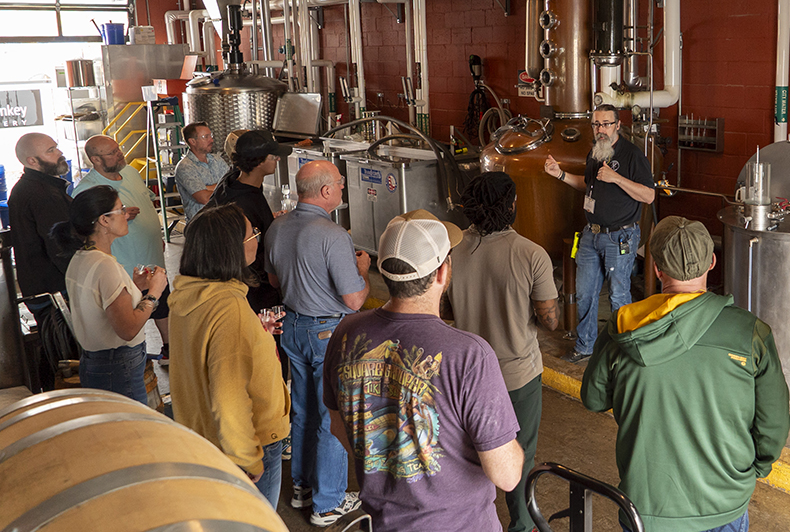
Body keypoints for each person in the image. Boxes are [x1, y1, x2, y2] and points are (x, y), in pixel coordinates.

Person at [581, 216, 790, 532]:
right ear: (712, 263)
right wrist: (756, 469)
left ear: (656, 269)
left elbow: (594, 399)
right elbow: (773, 423)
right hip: (724, 505)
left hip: (646, 510)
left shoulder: (623, 327)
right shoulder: (750, 334)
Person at [323, 209, 524, 532]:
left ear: (382, 270)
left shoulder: (346, 333)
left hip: (380, 523)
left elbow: (339, 426)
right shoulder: (470, 354)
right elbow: (507, 475)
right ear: (443, 272)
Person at [445, 172, 559, 532]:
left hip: (465, 375)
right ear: (511, 206)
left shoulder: (451, 250)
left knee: (467, 454)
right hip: (517, 376)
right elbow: (551, 320)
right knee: (518, 457)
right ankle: (521, 527)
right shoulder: (531, 254)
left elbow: (445, 311)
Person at [264, 159, 370, 527]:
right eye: (340, 183)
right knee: (330, 416)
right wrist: (363, 271)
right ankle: (328, 504)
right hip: (327, 333)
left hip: (292, 328)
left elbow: (275, 281)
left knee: (304, 410)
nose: (342, 188)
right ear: (326, 191)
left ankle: (301, 487)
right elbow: (355, 300)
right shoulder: (333, 234)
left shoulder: (276, 228)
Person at [168, 204, 290, 508]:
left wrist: (253, 331)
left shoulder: (190, 296)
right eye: (253, 235)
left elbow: (204, 353)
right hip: (247, 442)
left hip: (204, 436)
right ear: (232, 249)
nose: (257, 240)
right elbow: (228, 396)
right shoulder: (229, 308)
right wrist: (247, 458)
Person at [544, 104, 655, 363]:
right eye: (596, 124)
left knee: (618, 296)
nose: (600, 129)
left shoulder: (632, 154)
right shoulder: (595, 152)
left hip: (620, 237)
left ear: (618, 125)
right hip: (591, 235)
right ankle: (585, 346)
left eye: (606, 124)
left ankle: (623, 352)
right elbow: (588, 185)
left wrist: (616, 178)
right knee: (584, 293)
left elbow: (648, 195)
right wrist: (559, 174)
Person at [51, 185, 167, 404]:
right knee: (131, 432)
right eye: (120, 209)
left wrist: (134, 287)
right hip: (117, 366)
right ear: (104, 220)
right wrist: (154, 293)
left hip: (98, 363)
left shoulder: (81, 258)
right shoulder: (105, 266)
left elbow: (102, 303)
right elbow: (128, 329)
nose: (126, 214)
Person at [73, 135, 171, 364]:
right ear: (95, 159)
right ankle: (134, 356)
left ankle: (169, 348)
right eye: (112, 152)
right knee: (130, 314)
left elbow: (147, 201)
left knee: (163, 305)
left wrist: (156, 236)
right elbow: (86, 225)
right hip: (125, 263)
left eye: (119, 149)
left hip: (152, 255)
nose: (120, 154)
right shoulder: (87, 190)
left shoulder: (131, 173)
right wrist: (121, 214)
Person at [208, 129, 292, 313]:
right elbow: (245, 254)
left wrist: (269, 220)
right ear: (259, 161)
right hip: (254, 293)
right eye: (273, 156)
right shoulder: (243, 203)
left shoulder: (232, 182)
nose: (278, 160)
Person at [8, 133, 72, 325]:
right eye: (50, 151)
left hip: (40, 288)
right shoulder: (44, 195)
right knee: (72, 350)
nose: (59, 153)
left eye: (56, 147)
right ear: (32, 161)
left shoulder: (24, 188)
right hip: (55, 291)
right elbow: (60, 247)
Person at [174, 121, 229, 221]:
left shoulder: (218, 161)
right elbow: (204, 199)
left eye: (211, 136)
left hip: (224, 223)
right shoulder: (185, 167)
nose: (211, 140)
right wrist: (224, 186)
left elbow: (233, 185)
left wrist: (207, 188)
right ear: (192, 141)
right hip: (201, 227)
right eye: (206, 137)